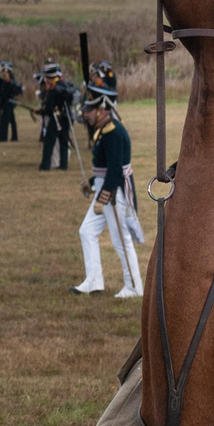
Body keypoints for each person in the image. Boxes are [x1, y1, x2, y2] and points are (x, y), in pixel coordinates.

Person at [75, 89, 142, 298]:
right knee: (87, 231)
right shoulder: (104, 129)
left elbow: (115, 171)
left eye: (89, 110)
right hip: (107, 188)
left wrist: (102, 197)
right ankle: (94, 281)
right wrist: (93, 183)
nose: (85, 114)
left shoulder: (113, 132)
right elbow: (105, 170)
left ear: (102, 110)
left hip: (115, 194)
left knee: (121, 241)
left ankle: (133, 287)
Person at [38, 65, 76, 170]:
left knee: (49, 142)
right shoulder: (64, 86)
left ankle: (45, 165)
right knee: (64, 142)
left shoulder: (53, 89)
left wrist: (43, 111)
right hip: (66, 118)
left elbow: (49, 107)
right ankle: (63, 165)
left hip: (56, 119)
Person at [0, 62, 23, 142]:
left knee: (4, 121)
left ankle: (3, 137)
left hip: (7, 103)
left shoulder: (8, 81)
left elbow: (4, 94)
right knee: (12, 120)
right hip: (10, 102)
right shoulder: (11, 80)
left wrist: (0, 103)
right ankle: (14, 137)